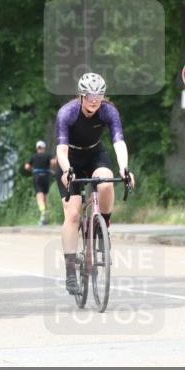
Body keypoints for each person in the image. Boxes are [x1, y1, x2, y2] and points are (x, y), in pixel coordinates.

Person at [55, 73, 135, 296]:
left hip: (95, 154)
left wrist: (124, 167)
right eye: (89, 95)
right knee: (72, 214)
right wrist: (66, 169)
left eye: (98, 95)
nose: (94, 100)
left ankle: (104, 226)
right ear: (81, 95)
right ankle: (71, 272)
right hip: (70, 159)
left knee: (107, 183)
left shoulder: (108, 111)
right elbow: (61, 149)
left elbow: (118, 141)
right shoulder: (67, 113)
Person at [24, 140, 56, 225]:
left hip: (37, 176)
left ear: (37, 148)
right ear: (44, 148)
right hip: (46, 176)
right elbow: (53, 162)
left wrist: (32, 170)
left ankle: (43, 212)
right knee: (45, 197)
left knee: (39, 197)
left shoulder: (34, 156)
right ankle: (45, 220)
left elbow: (27, 166)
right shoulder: (48, 155)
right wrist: (51, 169)